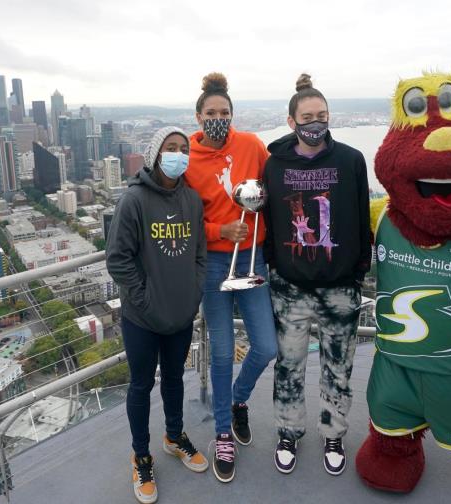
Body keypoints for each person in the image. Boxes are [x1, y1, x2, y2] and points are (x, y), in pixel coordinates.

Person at [262, 74, 371, 476]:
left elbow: (362, 217)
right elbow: (270, 224)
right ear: (291, 121)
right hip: (290, 288)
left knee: (338, 366)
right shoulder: (274, 165)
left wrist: (358, 270)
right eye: (307, 116)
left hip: (340, 287)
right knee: (288, 365)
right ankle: (288, 431)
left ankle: (333, 434)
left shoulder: (351, 160)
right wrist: (276, 266)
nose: (315, 122)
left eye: (322, 115)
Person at [184, 72, 278, 483]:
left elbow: (275, 184)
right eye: (211, 113)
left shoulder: (251, 146)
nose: (217, 118)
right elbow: (181, 218)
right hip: (215, 264)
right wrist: (218, 231)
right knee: (221, 352)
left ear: (232, 114)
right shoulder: (185, 154)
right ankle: (222, 430)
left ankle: (238, 400)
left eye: (224, 112)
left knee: (267, 345)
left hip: (252, 260)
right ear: (199, 115)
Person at [106, 126, 208, 504]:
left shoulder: (193, 201)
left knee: (176, 378)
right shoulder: (133, 201)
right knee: (140, 385)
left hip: (181, 314)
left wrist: (194, 291)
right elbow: (117, 259)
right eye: (171, 148)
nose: (179, 154)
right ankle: (141, 455)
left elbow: (199, 253)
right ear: (155, 154)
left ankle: (174, 435)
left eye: (184, 149)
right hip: (143, 318)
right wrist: (144, 298)